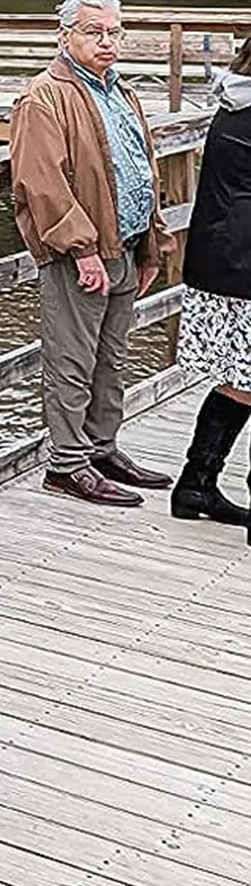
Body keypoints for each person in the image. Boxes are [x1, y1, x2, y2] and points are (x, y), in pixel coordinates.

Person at [8, 0, 175, 506]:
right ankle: (66, 464)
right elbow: (41, 182)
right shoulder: (44, 96)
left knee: (112, 359)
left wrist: (150, 245)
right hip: (80, 254)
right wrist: (81, 250)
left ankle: (102, 449)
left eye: (114, 32)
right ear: (65, 36)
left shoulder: (120, 91)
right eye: (93, 32)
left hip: (123, 245)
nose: (107, 42)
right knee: (72, 362)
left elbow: (141, 169)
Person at [173, 34, 251, 532]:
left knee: (242, 382)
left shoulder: (234, 100)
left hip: (226, 259)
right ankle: (197, 483)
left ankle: (196, 483)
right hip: (242, 265)